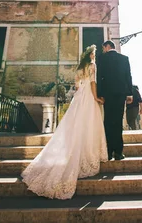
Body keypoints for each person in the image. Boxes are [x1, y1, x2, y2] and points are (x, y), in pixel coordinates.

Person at [21, 45, 106, 199]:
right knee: (89, 124)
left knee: (75, 124)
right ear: (90, 55)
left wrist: (82, 92)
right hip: (88, 96)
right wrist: (96, 97)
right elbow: (93, 83)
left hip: (79, 97)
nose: (95, 56)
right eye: (94, 54)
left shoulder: (80, 68)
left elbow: (76, 85)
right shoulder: (92, 66)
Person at [97, 40, 133, 160]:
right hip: (121, 94)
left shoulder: (102, 58)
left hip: (107, 94)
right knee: (118, 122)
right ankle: (118, 152)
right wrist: (130, 93)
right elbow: (128, 76)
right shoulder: (124, 58)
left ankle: (108, 152)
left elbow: (99, 77)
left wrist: (100, 94)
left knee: (108, 122)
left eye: (104, 48)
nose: (103, 50)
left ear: (107, 47)